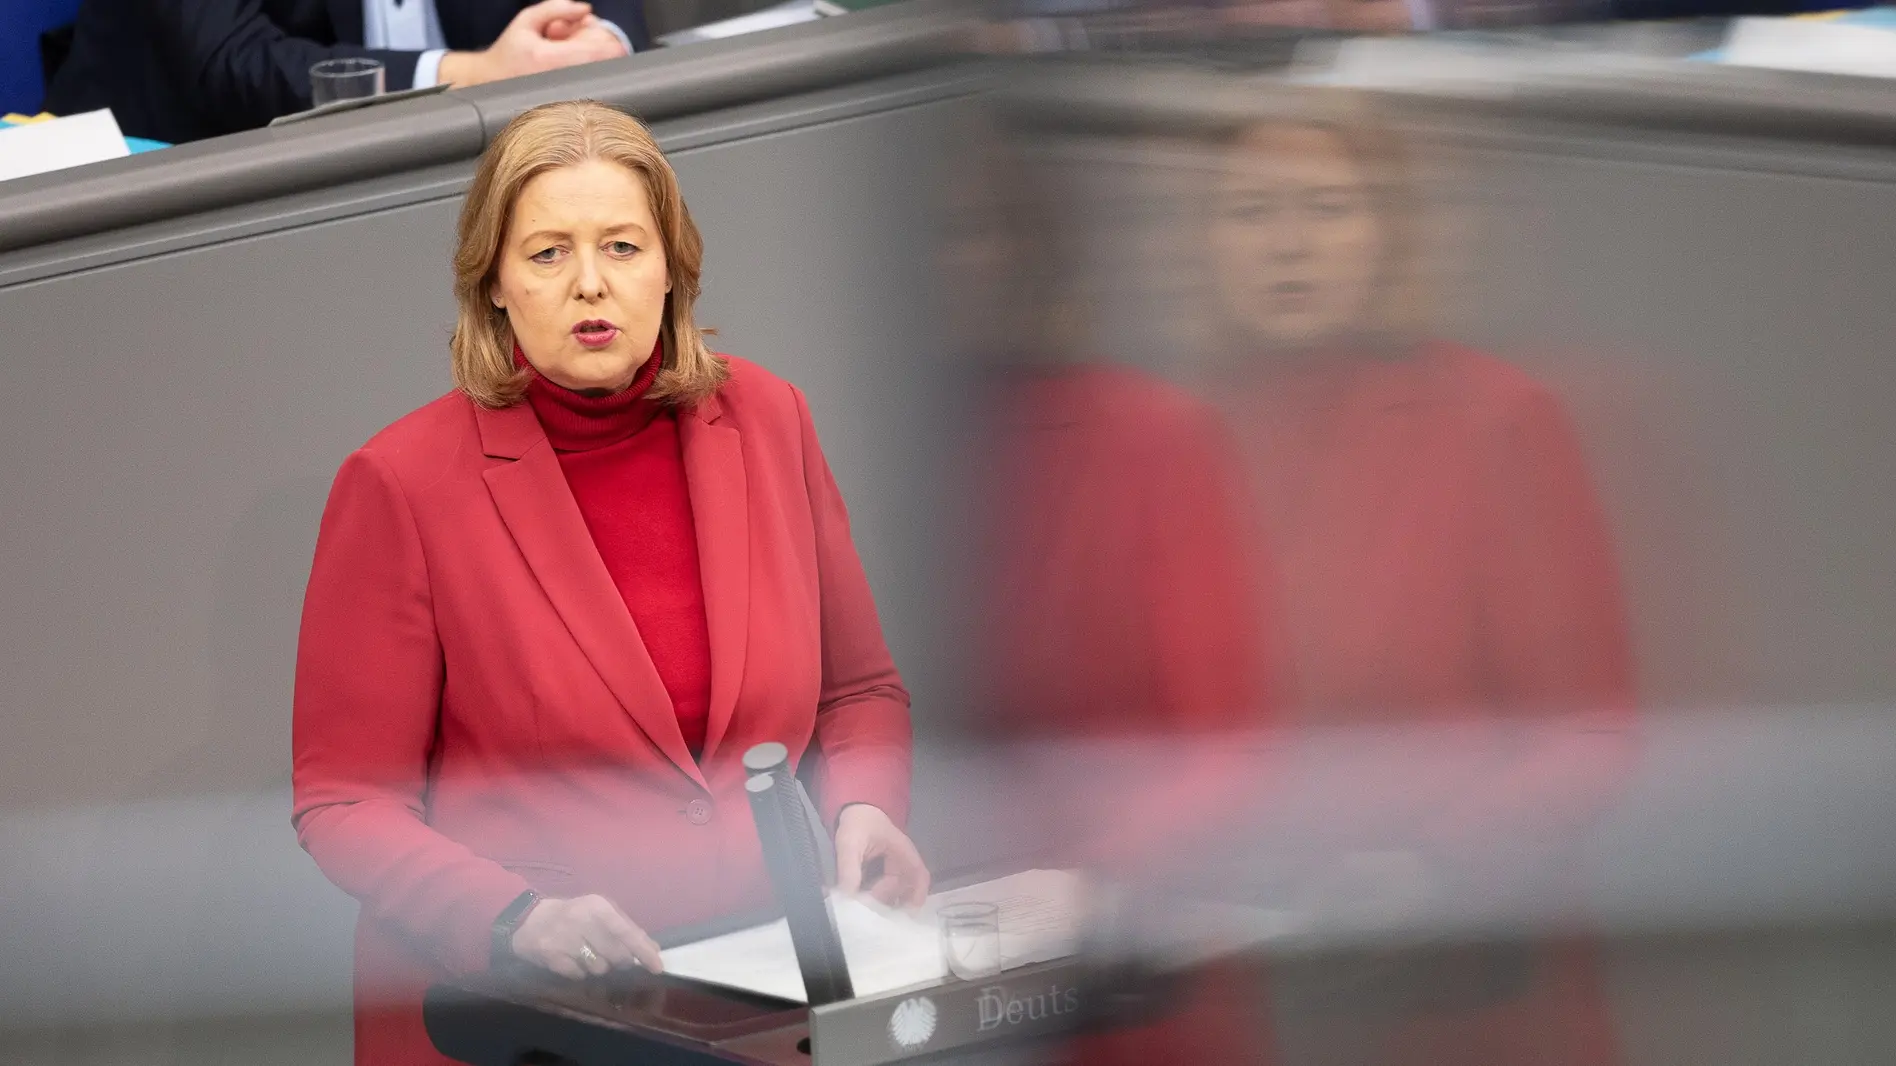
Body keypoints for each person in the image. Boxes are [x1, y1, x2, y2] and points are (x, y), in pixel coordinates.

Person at [291, 99, 929, 1066]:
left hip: (751, 994)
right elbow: (342, 800)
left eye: (623, 247)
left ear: (671, 267)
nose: (590, 283)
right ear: (493, 282)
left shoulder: (769, 418)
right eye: (548, 253)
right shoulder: (402, 483)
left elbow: (858, 693)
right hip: (516, 1013)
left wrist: (865, 809)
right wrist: (514, 917)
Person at [1204, 97, 1639, 1066]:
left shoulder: (1494, 420)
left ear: (1388, 229)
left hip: (1465, 978)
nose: (1288, 245)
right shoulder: (1190, 433)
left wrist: (1429, 869)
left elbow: (1587, 730)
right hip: (1263, 976)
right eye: (1250, 211)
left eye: (1324, 208)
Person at [44, 0, 647, 144]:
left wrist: (599, 41)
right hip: (191, 183)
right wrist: (472, 72)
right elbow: (233, 65)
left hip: (482, 150)